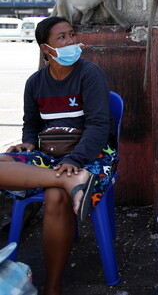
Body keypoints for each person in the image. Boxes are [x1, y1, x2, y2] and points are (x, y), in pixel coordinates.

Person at [0, 16, 118, 295]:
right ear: (46, 49)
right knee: (5, 160)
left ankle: (53, 285)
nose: (71, 42)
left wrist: (75, 160)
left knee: (54, 196)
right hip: (49, 156)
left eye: (72, 34)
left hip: (92, 157)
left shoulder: (90, 74)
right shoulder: (35, 83)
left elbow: (99, 126)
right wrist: (28, 143)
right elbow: (32, 124)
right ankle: (66, 180)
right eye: (61, 38)